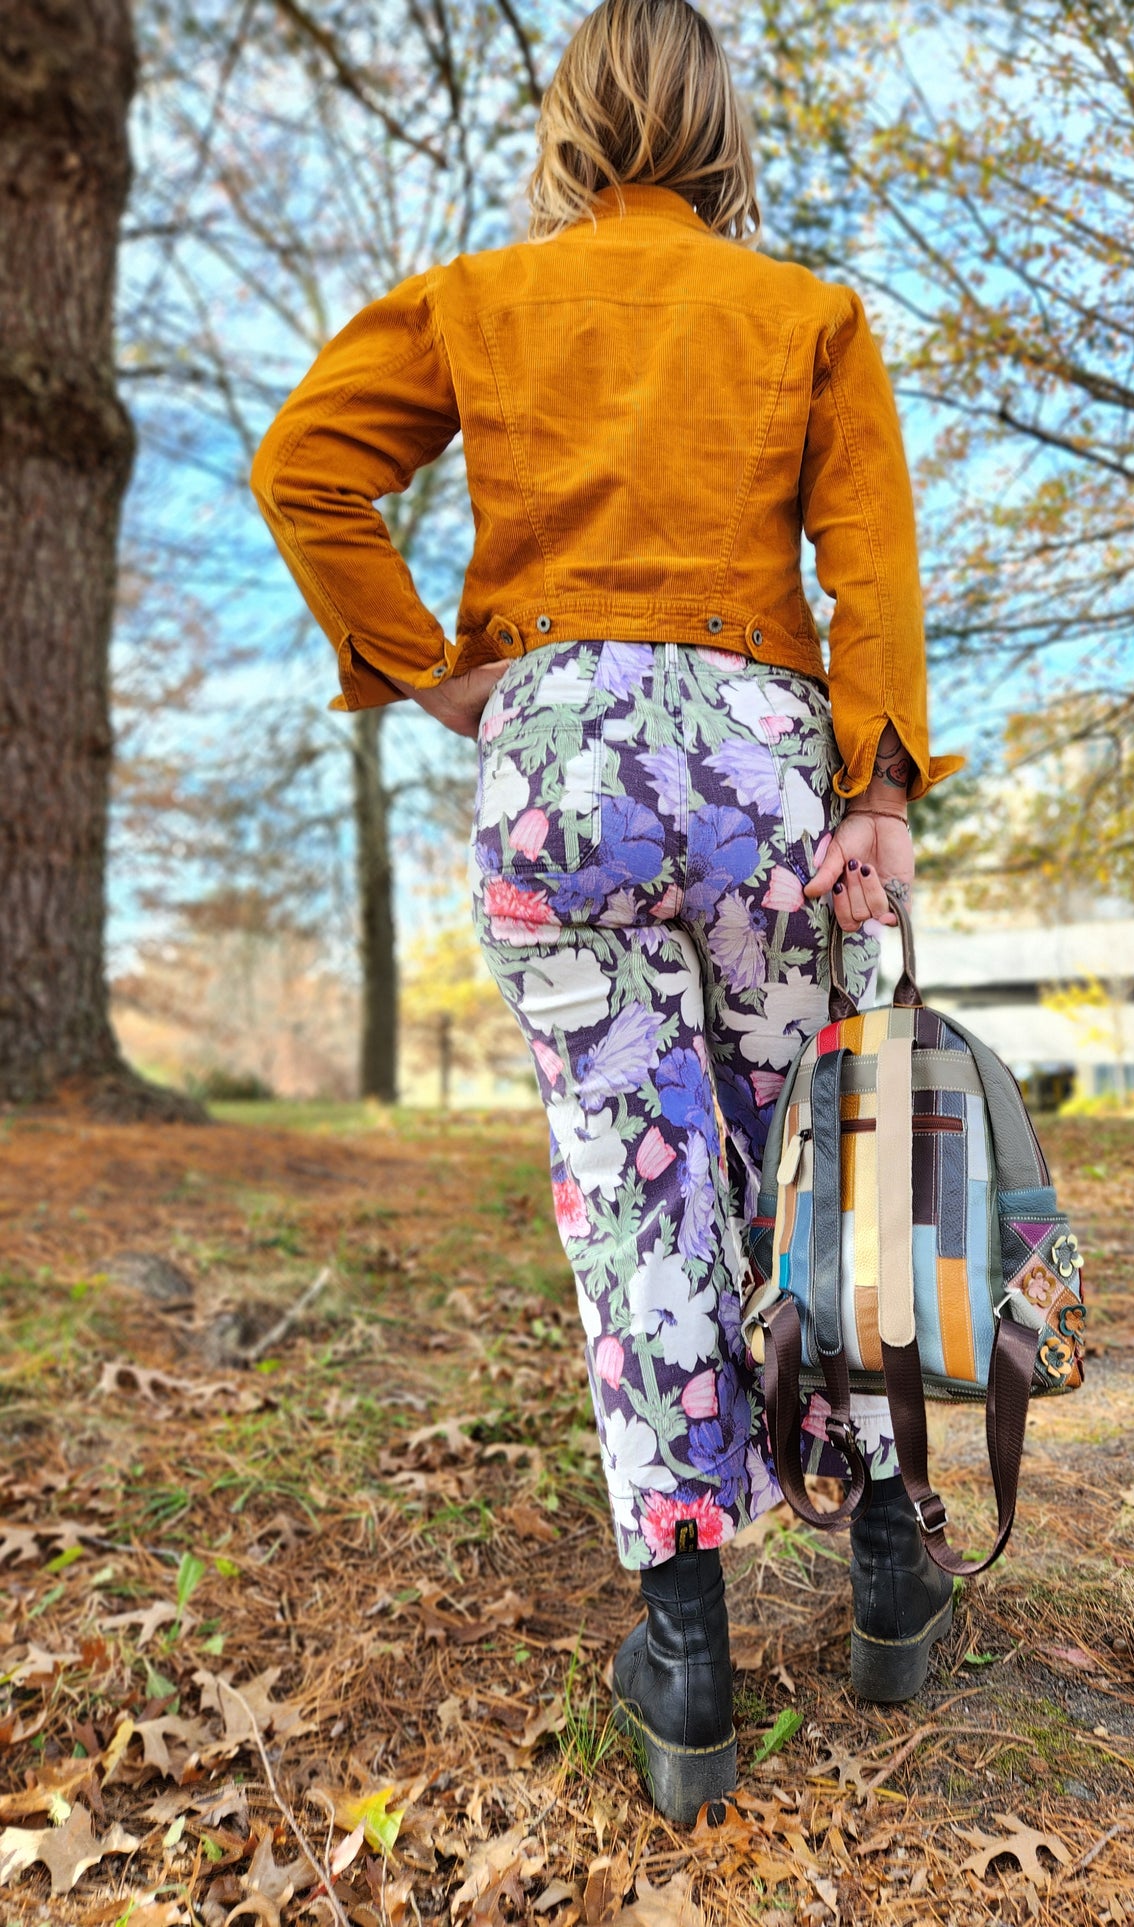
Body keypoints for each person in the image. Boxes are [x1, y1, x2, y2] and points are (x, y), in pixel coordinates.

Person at [250, 0, 962, 1824]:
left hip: (555, 754)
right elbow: (867, 561)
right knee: (824, 1153)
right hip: (753, 764)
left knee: (631, 1181)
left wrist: (431, 673)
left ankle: (687, 1638)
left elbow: (305, 467)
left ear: (571, 131)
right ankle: (887, 1546)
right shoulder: (805, 314)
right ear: (717, 134)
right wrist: (877, 790)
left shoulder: (476, 301)